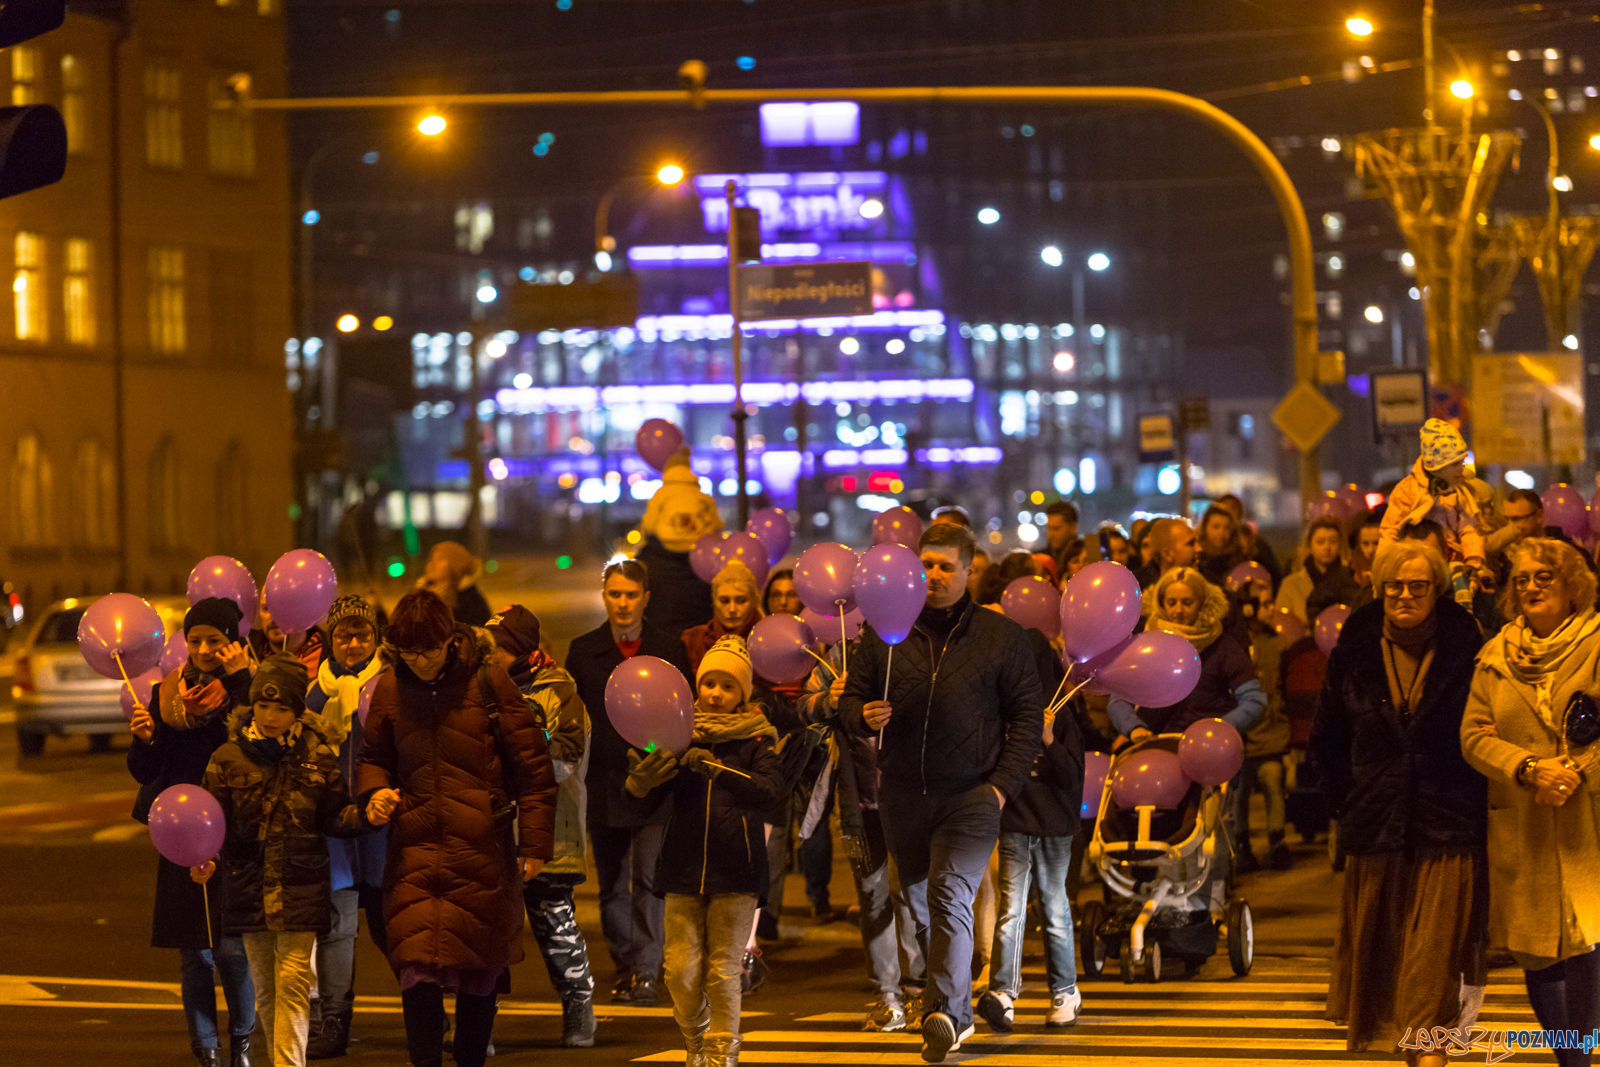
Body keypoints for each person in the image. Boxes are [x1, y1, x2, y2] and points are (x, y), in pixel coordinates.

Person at [840, 522, 1045, 1063]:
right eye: (925, 564)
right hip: (903, 792)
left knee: (949, 897)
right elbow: (851, 698)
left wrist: (1000, 789)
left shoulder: (1002, 639)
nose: (932, 576)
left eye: (945, 566)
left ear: (970, 570)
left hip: (971, 795)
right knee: (918, 905)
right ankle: (952, 999)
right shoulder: (886, 631)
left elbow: (1027, 718)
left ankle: (947, 1015)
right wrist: (859, 715)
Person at [356, 590, 558, 1067]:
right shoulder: (388, 688)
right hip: (413, 851)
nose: (420, 663)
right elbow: (371, 759)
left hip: (482, 850)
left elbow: (533, 770)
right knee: (415, 969)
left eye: (428, 651)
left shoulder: (489, 682)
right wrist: (374, 793)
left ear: (450, 640)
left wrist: (534, 845)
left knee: (478, 972)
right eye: (408, 654)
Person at [1311, 540, 1487, 1064]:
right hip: (1376, 823)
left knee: (1433, 954)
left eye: (1418, 586)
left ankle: (1429, 1049)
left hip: (1448, 823)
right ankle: (1416, 1046)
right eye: (1394, 586)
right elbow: (1327, 739)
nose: (1405, 596)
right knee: (1386, 954)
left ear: (1436, 590)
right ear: (1379, 587)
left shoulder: (1465, 646)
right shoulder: (1355, 649)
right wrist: (1346, 803)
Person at [193, 655, 395, 1067]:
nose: (270, 716)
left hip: (301, 885)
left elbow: (335, 815)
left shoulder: (317, 755)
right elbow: (211, 822)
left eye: (282, 708)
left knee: (294, 982)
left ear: (297, 711)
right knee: (266, 988)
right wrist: (205, 857)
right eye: (263, 706)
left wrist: (368, 815)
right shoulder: (227, 758)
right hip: (249, 886)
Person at [1461, 538, 1600, 1063]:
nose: (1532, 587)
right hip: (1526, 819)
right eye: (1522, 579)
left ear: (1572, 586)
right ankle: (1572, 1058)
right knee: (1537, 952)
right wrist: (1527, 768)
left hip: (1588, 815)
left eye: (1544, 576)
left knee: (1589, 941)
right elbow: (1473, 735)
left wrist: (1574, 772)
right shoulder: (1496, 654)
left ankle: (1578, 1061)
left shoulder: (1596, 641)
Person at [624, 637, 782, 1067]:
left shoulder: (756, 739)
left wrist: (719, 769)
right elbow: (651, 800)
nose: (715, 693)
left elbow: (771, 794)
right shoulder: (676, 734)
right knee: (679, 970)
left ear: (743, 695)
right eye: (709, 683)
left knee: (722, 970)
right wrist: (640, 782)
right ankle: (695, 1037)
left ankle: (721, 1053)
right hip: (682, 867)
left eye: (727, 687)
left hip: (738, 870)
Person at [127, 597, 257, 1067]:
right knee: (193, 954)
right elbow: (146, 771)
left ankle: (242, 1039)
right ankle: (205, 1048)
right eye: (196, 639)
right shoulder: (165, 694)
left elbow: (258, 743)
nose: (204, 649)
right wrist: (147, 739)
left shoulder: (249, 687)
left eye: (215, 640)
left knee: (230, 950)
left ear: (233, 642)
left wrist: (241, 681)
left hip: (234, 829)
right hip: (179, 832)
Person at [565, 559, 694, 1005]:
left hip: (656, 778)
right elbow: (577, 719)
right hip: (605, 782)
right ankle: (626, 962)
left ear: (646, 598)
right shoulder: (584, 651)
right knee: (612, 881)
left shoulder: (667, 647)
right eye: (615, 594)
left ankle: (644, 969)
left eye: (631, 594)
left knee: (649, 877)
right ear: (604, 596)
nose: (623, 603)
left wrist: (660, 760)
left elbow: (682, 707)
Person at [794, 639, 926, 1033]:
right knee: (872, 896)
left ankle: (920, 988)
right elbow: (802, 709)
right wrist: (828, 701)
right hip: (860, 801)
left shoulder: (924, 649)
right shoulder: (839, 656)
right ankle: (887, 995)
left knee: (914, 895)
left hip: (912, 797)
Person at [486, 605, 598, 1049]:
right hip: (493, 826)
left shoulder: (559, 691)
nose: (488, 654)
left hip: (551, 826)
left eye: (495, 647)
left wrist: (512, 761)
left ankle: (579, 1007)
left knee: (554, 921)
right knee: (489, 926)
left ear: (519, 650)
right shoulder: (484, 688)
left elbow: (566, 756)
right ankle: (482, 1022)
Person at [302, 594, 390, 1059]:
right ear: (329, 639)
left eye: (362, 635)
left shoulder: (392, 686)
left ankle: (429, 1013)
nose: (353, 644)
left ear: (376, 638)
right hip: (334, 830)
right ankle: (335, 1022)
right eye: (343, 635)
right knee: (336, 928)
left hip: (383, 828)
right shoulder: (315, 692)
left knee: (392, 926)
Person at [976, 690, 1085, 1033]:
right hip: (1015, 823)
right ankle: (1003, 993)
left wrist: (1049, 739)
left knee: (1054, 907)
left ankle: (1065, 993)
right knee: (1012, 908)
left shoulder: (1063, 716)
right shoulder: (1002, 714)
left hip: (1055, 826)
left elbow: (1071, 777)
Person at [1111, 568, 1266, 744]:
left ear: (1202, 603)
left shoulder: (1222, 647)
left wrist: (1220, 727)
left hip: (1209, 747)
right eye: (1171, 602)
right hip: (1161, 744)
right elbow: (1118, 698)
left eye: (1187, 602)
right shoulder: (1147, 646)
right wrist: (1134, 727)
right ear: (1161, 604)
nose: (1179, 610)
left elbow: (1255, 700)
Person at [1225, 571, 1291, 872]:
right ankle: (1242, 843)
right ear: (1248, 607)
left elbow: (1278, 690)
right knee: (1240, 791)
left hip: (1270, 734)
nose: (1271, 609)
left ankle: (1277, 839)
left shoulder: (1275, 642)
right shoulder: (1236, 646)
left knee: (1272, 781)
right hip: (1243, 736)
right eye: (1263, 604)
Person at [1379, 419, 1487, 603]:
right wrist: (1383, 568)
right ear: (1436, 466)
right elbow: (1391, 530)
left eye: (1462, 462)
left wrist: (1474, 562)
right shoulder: (1408, 491)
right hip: (1415, 559)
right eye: (1455, 464)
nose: (1462, 468)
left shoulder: (1461, 492)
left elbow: (1469, 530)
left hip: (1453, 559)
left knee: (1463, 588)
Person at [637, 446, 722, 639]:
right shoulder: (704, 497)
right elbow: (716, 528)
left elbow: (648, 525)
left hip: (661, 575)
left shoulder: (660, 495)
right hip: (699, 577)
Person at [1276, 516, 1360, 627]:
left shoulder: (1352, 579)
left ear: (1340, 544)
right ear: (1310, 545)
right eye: (1320, 542)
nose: (1327, 547)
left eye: (1333, 542)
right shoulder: (1291, 584)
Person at [683, 560, 762, 675]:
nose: (732, 609)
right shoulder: (692, 640)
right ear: (714, 601)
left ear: (754, 601)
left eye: (741, 601)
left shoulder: (767, 642)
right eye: (724, 601)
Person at [1216, 493, 1283, 592]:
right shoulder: (1214, 546)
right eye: (1223, 509)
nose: (1229, 512)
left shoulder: (1257, 543)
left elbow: (1274, 573)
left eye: (1233, 508)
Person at [418, 541, 493, 626]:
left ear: (456, 565)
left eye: (440, 559)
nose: (432, 564)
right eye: (431, 558)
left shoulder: (472, 605)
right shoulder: (417, 597)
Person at [250, 592, 328, 675]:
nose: (272, 617)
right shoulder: (247, 651)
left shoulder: (330, 654)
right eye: (266, 609)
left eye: (283, 607)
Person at [1132, 517, 1199, 589]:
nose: (1199, 549)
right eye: (1191, 543)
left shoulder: (1207, 580)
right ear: (1167, 554)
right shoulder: (1135, 586)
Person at [1195, 504, 1245, 588]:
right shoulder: (1197, 559)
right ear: (1205, 528)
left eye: (1227, 527)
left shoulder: (1239, 558)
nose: (1221, 533)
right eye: (1216, 527)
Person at [1044, 501, 1079, 577]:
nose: (1051, 534)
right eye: (1049, 528)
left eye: (1056, 528)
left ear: (1073, 527)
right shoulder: (1041, 561)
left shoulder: (1083, 558)